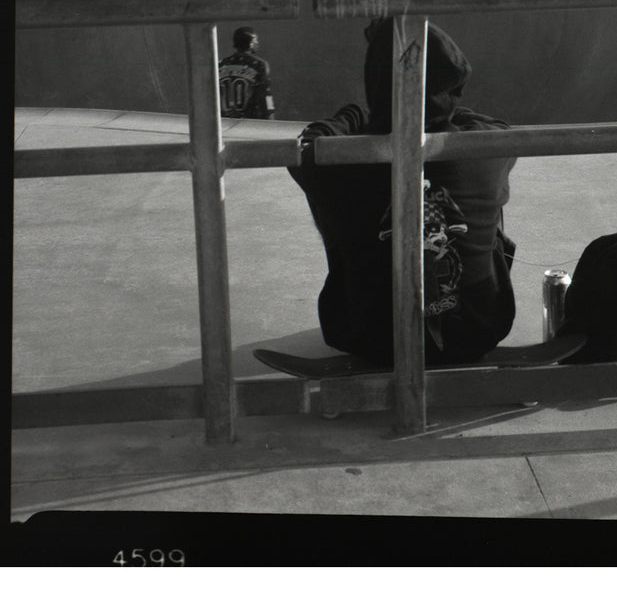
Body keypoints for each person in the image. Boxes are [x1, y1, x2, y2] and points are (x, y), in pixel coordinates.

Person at [288, 19, 518, 366]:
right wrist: (449, 108)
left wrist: (358, 115)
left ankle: (374, 292)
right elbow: (499, 127)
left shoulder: (338, 161)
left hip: (369, 336)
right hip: (477, 331)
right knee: (491, 200)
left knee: (330, 195)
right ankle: (458, 304)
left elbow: (306, 143)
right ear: (453, 90)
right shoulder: (487, 150)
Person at [217, 28, 275, 120]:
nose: (258, 43)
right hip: (248, 123)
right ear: (250, 43)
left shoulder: (221, 64)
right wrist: (270, 123)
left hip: (223, 123)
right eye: (256, 40)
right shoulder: (258, 64)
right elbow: (264, 97)